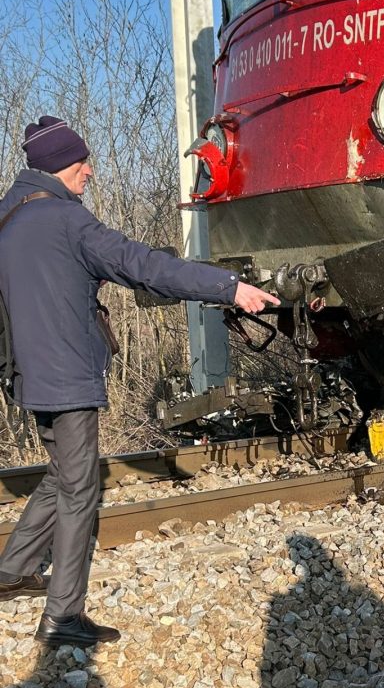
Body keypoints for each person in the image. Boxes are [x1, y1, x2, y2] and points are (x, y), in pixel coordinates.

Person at [0, 115, 279, 647]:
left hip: (25, 372)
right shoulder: (67, 221)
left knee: (61, 473)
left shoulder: (8, 215)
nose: (90, 174)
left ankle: (11, 570)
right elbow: (145, 265)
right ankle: (62, 617)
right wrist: (229, 289)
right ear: (62, 166)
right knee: (81, 489)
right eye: (84, 165)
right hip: (66, 375)